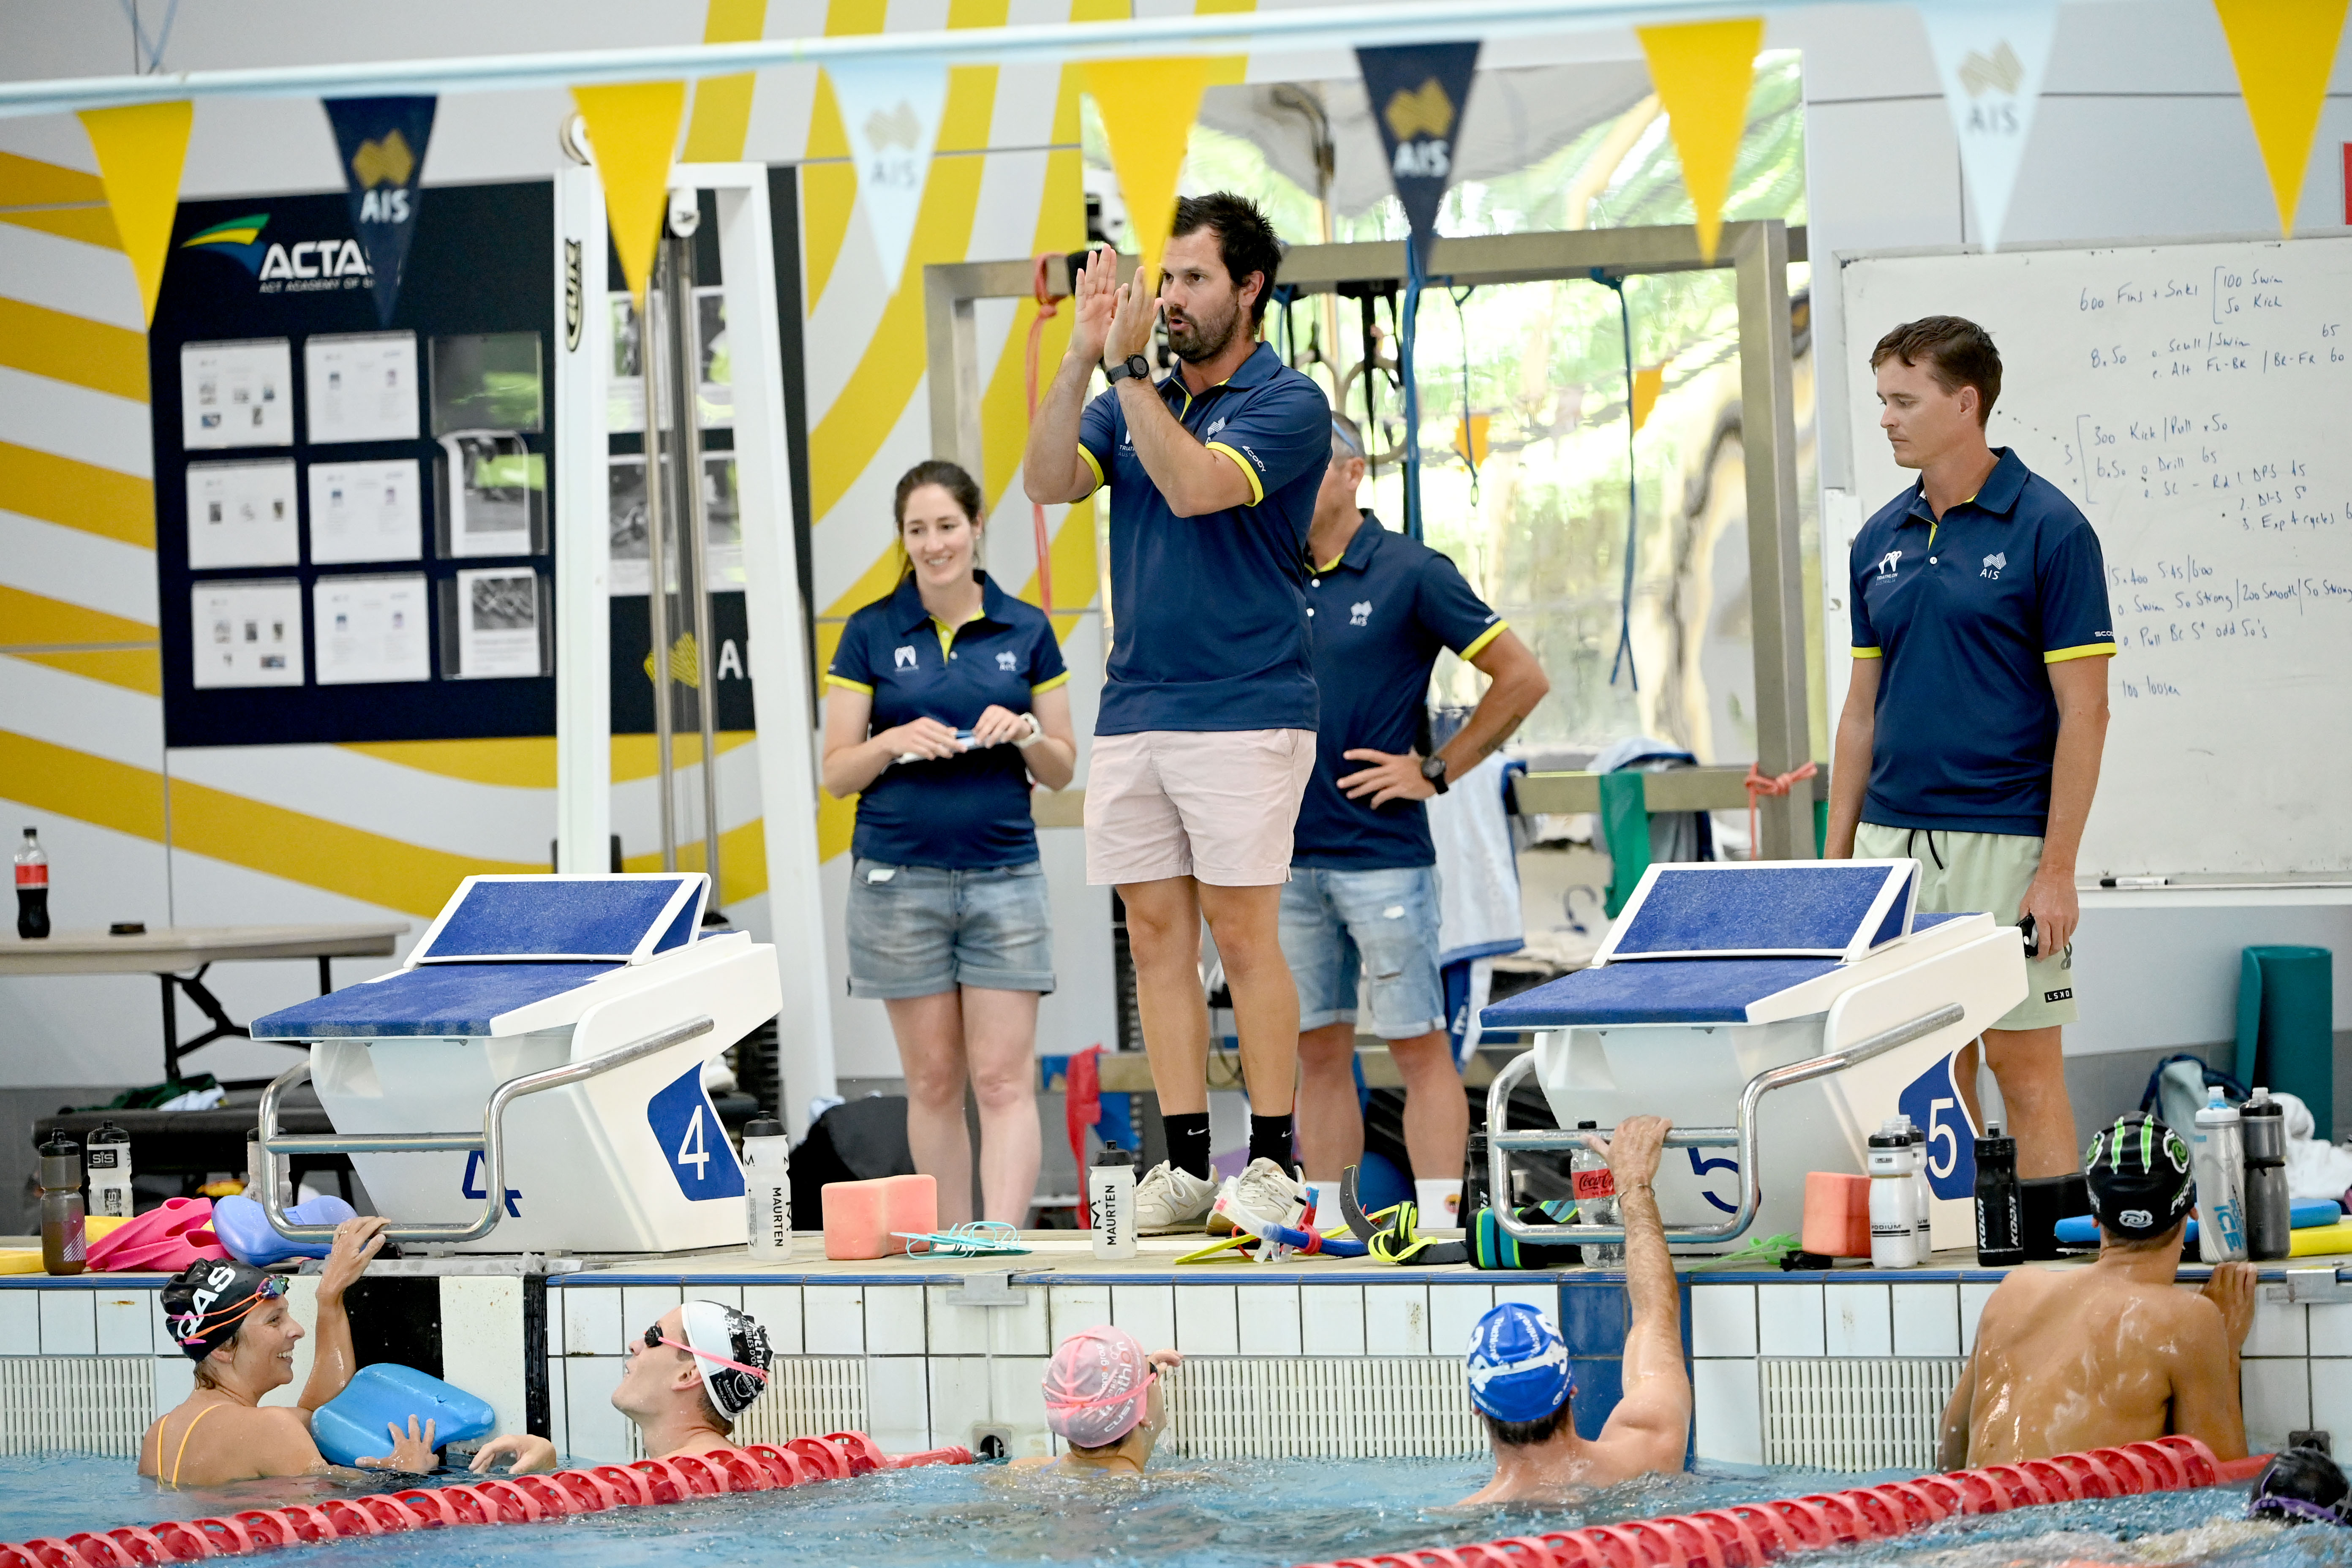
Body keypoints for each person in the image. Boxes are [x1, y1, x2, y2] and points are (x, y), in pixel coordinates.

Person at [1022, 193, 1333, 1234]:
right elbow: (1044, 475)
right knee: (1154, 935)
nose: (1170, 298)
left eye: (1194, 278)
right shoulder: (1128, 395)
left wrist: (1124, 376)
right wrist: (1080, 357)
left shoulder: (1287, 403)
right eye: (1165, 278)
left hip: (1247, 707)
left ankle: (1276, 1163)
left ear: (1249, 289)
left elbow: (1199, 488)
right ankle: (1189, 1165)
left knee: (1243, 936)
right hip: (1137, 708)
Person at [1824, 315, 2115, 1256]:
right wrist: (1837, 870)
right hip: (1893, 850)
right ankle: (1960, 1262)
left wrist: (2058, 870)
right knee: (1921, 1068)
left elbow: (2087, 713)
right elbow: (1860, 714)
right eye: (1881, 401)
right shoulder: (1879, 538)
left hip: (2006, 843)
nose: (1888, 420)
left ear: (1967, 402)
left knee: (2024, 1064)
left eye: (1904, 401)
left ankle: (2057, 1273)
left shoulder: (2053, 530)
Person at [1285, 411, 1550, 1225]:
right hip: (1283, 861)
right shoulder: (1266, 569)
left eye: (1305, 466)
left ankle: (1437, 1226)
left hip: (1383, 857)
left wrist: (1435, 770)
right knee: (1315, 1050)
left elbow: (1521, 678)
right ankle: (1332, 1224)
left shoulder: (1409, 570)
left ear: (1351, 471)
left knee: (1416, 1045)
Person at [821, 460, 1079, 1225]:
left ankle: (997, 1242)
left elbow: (1062, 766)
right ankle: (949, 1243)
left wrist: (1026, 729)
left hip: (1004, 878)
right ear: (902, 539)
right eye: (917, 530)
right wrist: (893, 739)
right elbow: (836, 772)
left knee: (1002, 1081)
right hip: (898, 885)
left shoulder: (1026, 627)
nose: (934, 544)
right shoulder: (868, 630)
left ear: (975, 527)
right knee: (932, 1082)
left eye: (946, 526)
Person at [1938, 1113, 2253, 1468]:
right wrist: (2226, 1353)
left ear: (2093, 1215)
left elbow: (1949, 1458)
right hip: (2067, 1520)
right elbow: (2224, 1480)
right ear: (2191, 1208)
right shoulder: (2188, 1321)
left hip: (1971, 1513)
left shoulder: (2014, 1292)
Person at [1459, 1116, 1688, 1502]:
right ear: (1572, 1390)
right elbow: (1654, 1316)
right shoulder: (1649, 1450)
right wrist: (1634, 1185)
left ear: (1479, 1409)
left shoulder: (1457, 1526)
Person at [139, 1216, 439, 1485]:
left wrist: (330, 1296)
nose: (296, 1329)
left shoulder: (160, 1435)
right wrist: (406, 1474)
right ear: (224, 1348)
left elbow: (318, 1416)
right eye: (274, 1321)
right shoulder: (270, 1429)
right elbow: (335, 1514)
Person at [471, 1301, 773, 1474]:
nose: (635, 1344)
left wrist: (420, 1473)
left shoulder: (665, 1478)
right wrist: (550, 1470)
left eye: (654, 1337)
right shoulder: (745, 1467)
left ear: (687, 1375)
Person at [1031, 1325, 1181, 1475]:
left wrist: (1140, 1380)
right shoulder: (1172, 1488)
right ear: (1143, 1409)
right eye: (1152, 1377)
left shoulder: (1025, 1470)